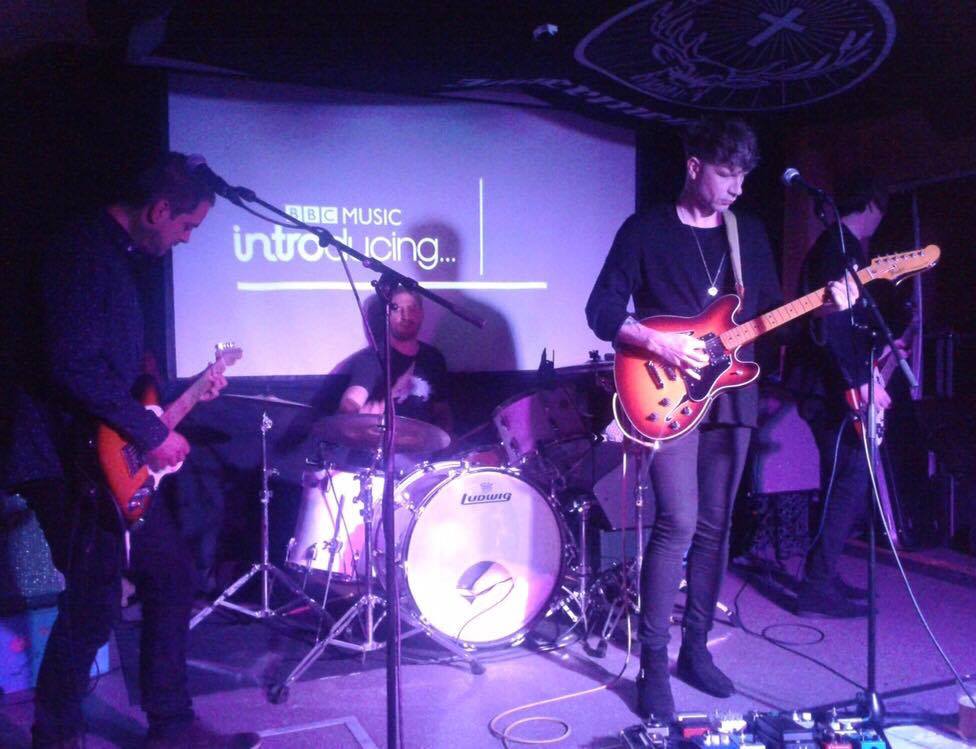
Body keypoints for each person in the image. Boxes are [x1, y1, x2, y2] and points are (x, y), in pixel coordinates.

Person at [585, 119, 855, 721]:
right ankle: (653, 662)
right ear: (694, 166)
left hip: (731, 396)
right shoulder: (645, 230)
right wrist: (657, 343)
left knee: (716, 526)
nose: (736, 187)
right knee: (677, 522)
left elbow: (771, 315)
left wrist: (827, 308)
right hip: (668, 395)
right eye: (727, 173)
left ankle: (695, 652)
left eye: (743, 176)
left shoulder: (748, 234)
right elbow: (600, 309)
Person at [0, 153, 260, 749]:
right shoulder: (80, 252)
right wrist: (150, 434)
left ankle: (172, 727)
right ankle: (54, 734)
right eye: (186, 226)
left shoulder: (118, 262)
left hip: (104, 458)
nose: (185, 239)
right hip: (62, 457)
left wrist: (181, 395)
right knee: (92, 602)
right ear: (158, 209)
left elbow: (116, 381)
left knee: (169, 574)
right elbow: (68, 366)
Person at [788, 172, 896, 618]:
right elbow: (830, 325)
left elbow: (846, 327)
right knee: (848, 478)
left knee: (844, 480)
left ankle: (822, 573)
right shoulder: (840, 249)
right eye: (879, 215)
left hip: (829, 384)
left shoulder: (835, 248)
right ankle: (815, 586)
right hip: (830, 388)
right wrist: (862, 381)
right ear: (870, 205)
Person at [338, 285, 453, 437]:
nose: (406, 315)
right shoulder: (372, 358)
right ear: (387, 315)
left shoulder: (433, 358)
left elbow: (442, 410)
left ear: (421, 313)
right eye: (397, 308)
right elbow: (351, 401)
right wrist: (357, 412)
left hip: (422, 450)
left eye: (412, 308)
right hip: (379, 448)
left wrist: (445, 440)